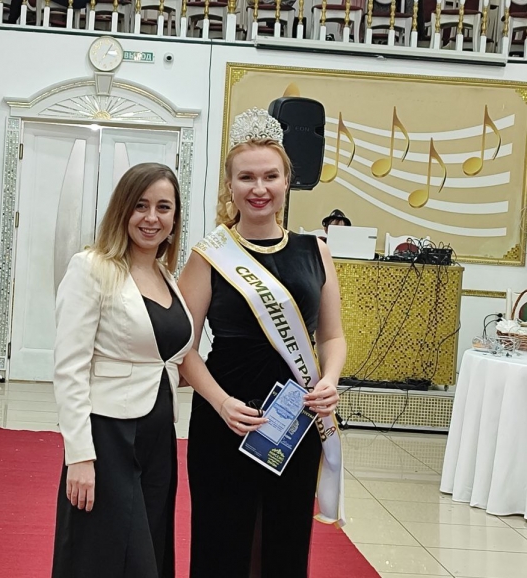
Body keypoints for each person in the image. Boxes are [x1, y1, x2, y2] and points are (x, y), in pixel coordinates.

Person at [178, 109, 347, 578]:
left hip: (296, 420)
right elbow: (183, 349)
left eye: (270, 176)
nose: (259, 188)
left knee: (284, 540)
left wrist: (330, 380)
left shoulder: (315, 251)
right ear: (230, 186)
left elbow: (332, 335)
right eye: (247, 177)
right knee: (221, 542)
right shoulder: (209, 256)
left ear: (287, 182)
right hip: (225, 419)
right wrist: (221, 403)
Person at [51, 163, 193, 578]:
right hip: (109, 436)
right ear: (122, 210)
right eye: (140, 205)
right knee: (107, 557)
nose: (152, 218)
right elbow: (70, 368)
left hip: (159, 437)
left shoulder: (165, 276)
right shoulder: (91, 267)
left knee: (151, 551)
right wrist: (79, 456)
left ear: (175, 218)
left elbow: (170, 358)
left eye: (163, 207)